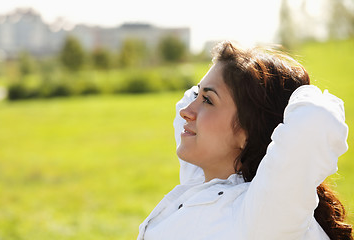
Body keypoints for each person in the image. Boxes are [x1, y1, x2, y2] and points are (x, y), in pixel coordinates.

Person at [137, 41, 353, 239]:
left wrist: (295, 93)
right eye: (198, 95)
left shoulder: (262, 218)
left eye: (208, 100)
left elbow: (314, 118)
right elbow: (185, 105)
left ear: (249, 132)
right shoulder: (202, 181)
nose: (186, 111)